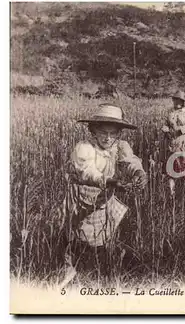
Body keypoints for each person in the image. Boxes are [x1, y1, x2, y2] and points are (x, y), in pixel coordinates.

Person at [60, 103, 148, 281]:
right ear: (94, 131)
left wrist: (139, 173)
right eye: (103, 133)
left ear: (119, 133)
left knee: (105, 232)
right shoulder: (85, 148)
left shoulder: (120, 146)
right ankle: (68, 267)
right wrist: (111, 181)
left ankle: (101, 268)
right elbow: (88, 172)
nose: (108, 138)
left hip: (104, 197)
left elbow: (130, 162)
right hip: (81, 197)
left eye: (113, 133)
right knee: (76, 233)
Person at [161, 90, 185, 176]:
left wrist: (178, 129)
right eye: (175, 99)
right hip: (174, 141)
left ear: (183, 102)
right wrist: (165, 128)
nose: (176, 102)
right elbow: (166, 123)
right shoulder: (170, 111)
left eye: (178, 100)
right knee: (176, 162)